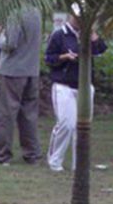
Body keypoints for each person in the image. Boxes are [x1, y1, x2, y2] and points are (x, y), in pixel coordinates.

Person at [44, 11, 107, 172]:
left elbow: (100, 50)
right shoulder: (60, 35)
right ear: (71, 17)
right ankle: (55, 161)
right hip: (64, 85)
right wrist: (64, 57)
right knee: (66, 124)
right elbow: (49, 59)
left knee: (82, 127)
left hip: (85, 86)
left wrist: (93, 36)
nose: (79, 20)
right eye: (77, 17)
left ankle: (79, 163)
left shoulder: (87, 34)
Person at [0, 7, 42, 166]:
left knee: (3, 115)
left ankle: (1, 155)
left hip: (11, 71)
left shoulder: (15, 13)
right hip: (32, 71)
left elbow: (10, 43)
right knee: (29, 116)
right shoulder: (36, 12)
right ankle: (32, 154)